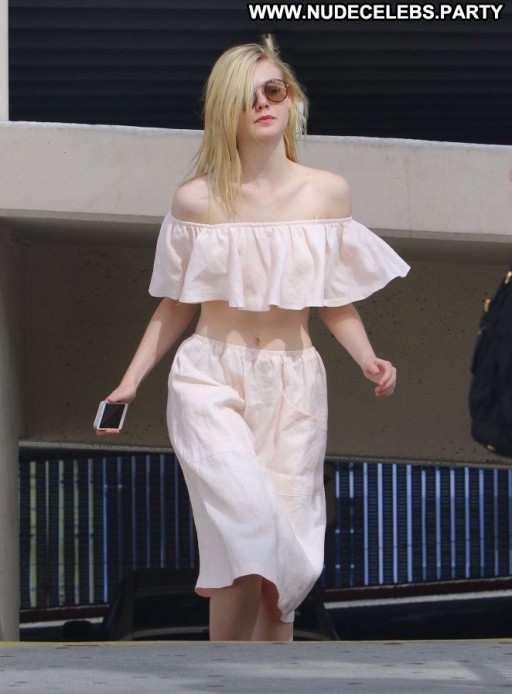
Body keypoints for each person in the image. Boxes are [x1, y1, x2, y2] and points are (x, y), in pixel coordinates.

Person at [99, 43, 410, 642]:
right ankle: (227, 676)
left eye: (274, 90)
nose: (264, 104)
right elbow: (177, 302)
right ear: (226, 111)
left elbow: (331, 296)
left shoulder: (327, 193)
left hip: (294, 382)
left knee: (278, 581)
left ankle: (267, 678)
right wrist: (130, 381)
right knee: (247, 533)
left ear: (292, 99)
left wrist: (368, 358)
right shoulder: (196, 199)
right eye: (247, 97)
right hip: (209, 377)